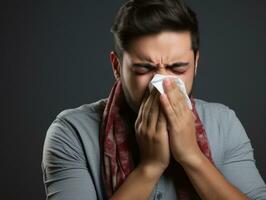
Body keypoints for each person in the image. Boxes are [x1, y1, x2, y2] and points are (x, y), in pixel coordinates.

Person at [41, 0, 266, 199]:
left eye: (178, 67)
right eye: (143, 69)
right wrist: (150, 166)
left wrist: (192, 157)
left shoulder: (223, 123)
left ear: (196, 63)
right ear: (117, 67)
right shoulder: (72, 133)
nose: (162, 83)